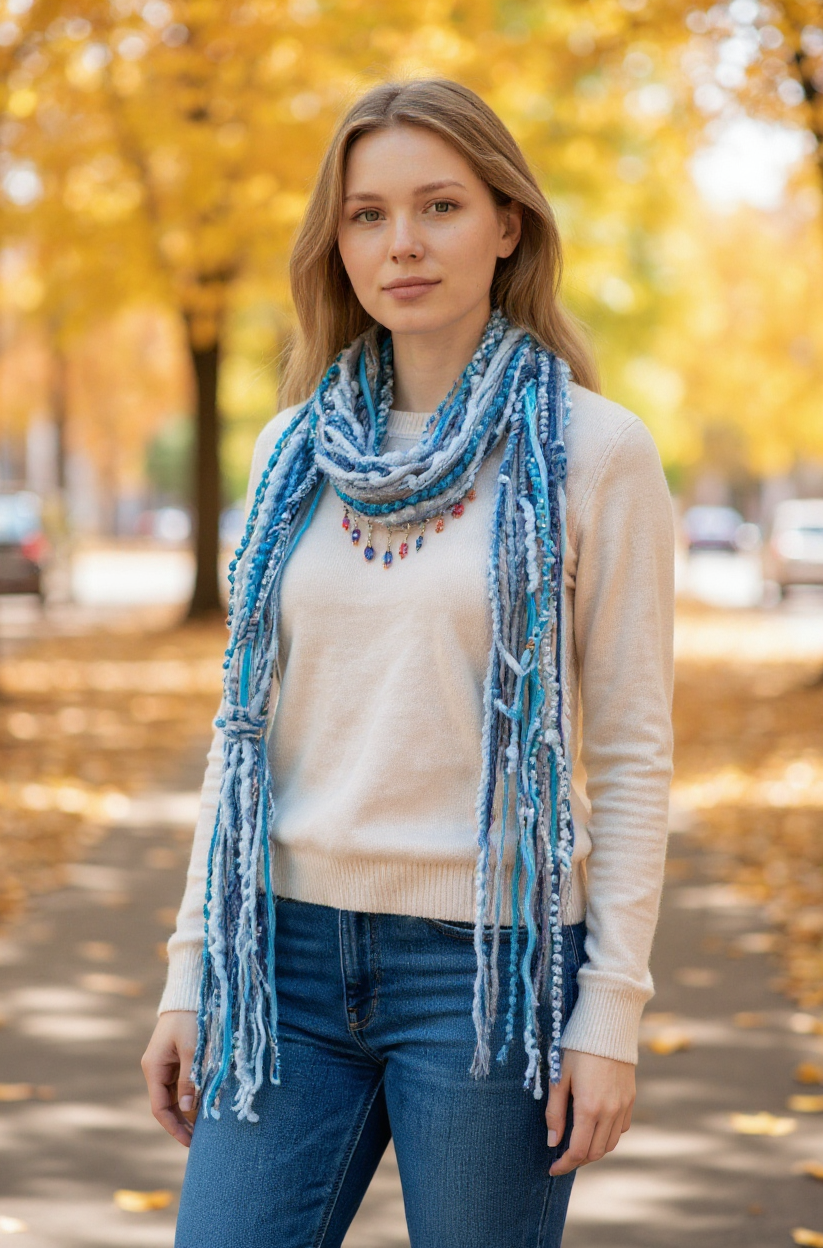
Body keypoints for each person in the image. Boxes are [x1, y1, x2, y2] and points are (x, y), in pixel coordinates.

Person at [141, 78, 674, 1248]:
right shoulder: (291, 453)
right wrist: (191, 972)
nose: (403, 244)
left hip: (491, 976)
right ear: (336, 243)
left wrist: (609, 1016)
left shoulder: (596, 452)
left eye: (440, 206)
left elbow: (635, 754)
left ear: (507, 223)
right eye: (367, 215)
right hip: (278, 958)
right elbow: (245, 736)